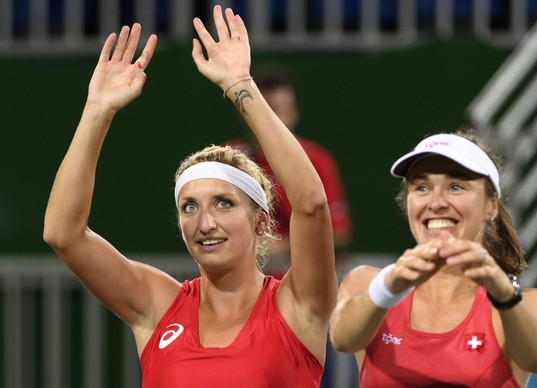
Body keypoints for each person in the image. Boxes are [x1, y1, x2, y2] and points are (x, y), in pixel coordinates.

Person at [43, 6, 336, 387]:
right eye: (190, 206)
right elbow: (63, 234)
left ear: (261, 219)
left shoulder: (297, 305)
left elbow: (311, 205)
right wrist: (97, 111)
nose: (205, 222)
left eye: (224, 203)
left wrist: (239, 85)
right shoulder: (157, 305)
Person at [329, 130, 537, 387]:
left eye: (456, 186)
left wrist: (503, 292)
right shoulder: (367, 284)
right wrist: (389, 287)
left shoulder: (533, 303)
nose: (436, 202)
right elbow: (343, 339)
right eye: (422, 187)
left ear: (491, 205)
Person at [226, 65, 352, 264]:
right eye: (270, 111)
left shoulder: (317, 159)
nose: (278, 120)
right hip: (242, 280)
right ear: (245, 113)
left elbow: (338, 233)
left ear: (296, 112)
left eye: (285, 110)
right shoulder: (228, 159)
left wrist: (274, 246)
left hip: (299, 281)